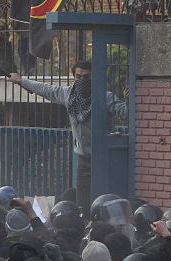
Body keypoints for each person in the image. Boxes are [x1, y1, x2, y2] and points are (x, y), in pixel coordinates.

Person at [9, 61, 127, 209]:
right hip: (84, 158)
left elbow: (125, 112)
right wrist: (21, 80)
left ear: (93, 77)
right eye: (78, 77)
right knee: (82, 200)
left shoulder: (105, 96)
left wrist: (129, 99)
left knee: (105, 198)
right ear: (74, 77)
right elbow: (45, 89)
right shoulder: (68, 95)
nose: (82, 80)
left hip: (103, 157)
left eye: (86, 77)